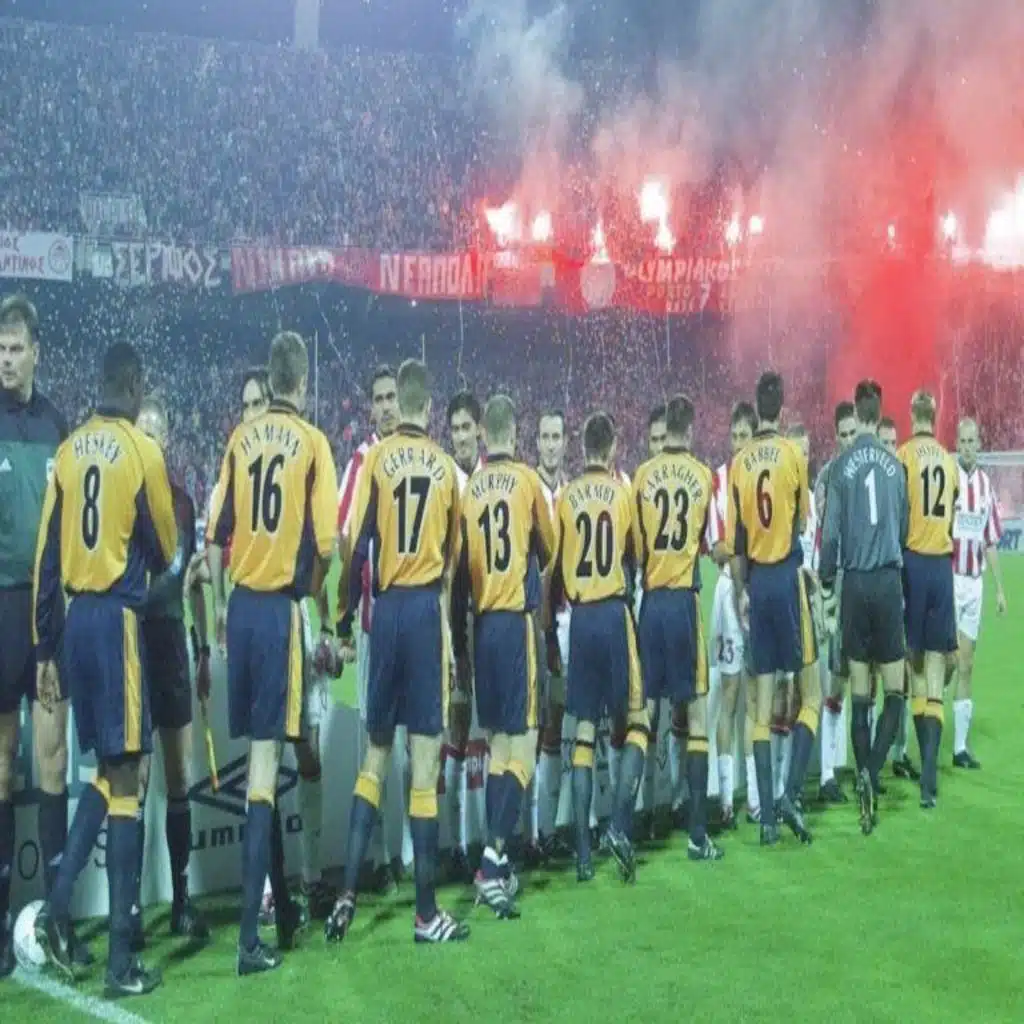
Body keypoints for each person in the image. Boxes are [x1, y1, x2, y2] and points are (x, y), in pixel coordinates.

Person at [34, 342, 176, 997]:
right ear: (136, 384)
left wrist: (45, 648)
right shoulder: (142, 452)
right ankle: (117, 957)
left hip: (74, 623)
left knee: (109, 771)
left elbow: (45, 558)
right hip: (118, 621)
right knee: (127, 777)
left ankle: (62, 908)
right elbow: (165, 547)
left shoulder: (68, 452)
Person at [207, 331, 339, 974]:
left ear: (271, 378)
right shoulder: (312, 443)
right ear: (304, 383)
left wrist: (218, 608)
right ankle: (247, 941)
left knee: (266, 753)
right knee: (266, 767)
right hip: (279, 612)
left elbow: (214, 534)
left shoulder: (241, 437)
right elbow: (328, 544)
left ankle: (282, 910)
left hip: (240, 608)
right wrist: (309, 594)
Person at [327, 358, 468, 945]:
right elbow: (452, 563)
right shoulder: (446, 468)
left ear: (398, 405)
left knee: (376, 756)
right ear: (429, 408)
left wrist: (342, 620)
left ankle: (347, 894)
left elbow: (355, 546)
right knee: (424, 761)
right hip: (423, 612)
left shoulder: (375, 461)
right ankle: (426, 913)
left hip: (383, 615)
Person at [0, 295, 84, 978]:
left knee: (53, 762)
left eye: (15, 348)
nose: (5, 359)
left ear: (37, 352)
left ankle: (57, 919)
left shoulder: (59, 426)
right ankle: (2, 927)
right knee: (2, 766)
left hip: (47, 610)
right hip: (1, 607)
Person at [451, 394, 555, 917]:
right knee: (526, 744)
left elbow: (459, 572)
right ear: (513, 433)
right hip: (515, 623)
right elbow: (549, 548)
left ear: (483, 436)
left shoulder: (469, 490)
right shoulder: (528, 481)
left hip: (482, 625)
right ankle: (492, 862)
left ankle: (498, 861)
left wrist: (461, 643)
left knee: (496, 747)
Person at [551, 412, 646, 884]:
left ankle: (584, 856)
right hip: (612, 613)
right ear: (611, 449)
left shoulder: (566, 497)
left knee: (584, 732)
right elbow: (635, 556)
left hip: (581, 617)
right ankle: (619, 828)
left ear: (582, 447)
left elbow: (554, 566)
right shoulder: (622, 493)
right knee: (637, 722)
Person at [727, 371, 819, 847]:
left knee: (760, 709)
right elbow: (802, 521)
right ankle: (790, 794)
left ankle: (766, 821)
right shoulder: (792, 455)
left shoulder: (739, 463)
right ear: (782, 410)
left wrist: (742, 590)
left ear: (756, 408)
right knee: (811, 696)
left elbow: (738, 542)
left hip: (758, 583)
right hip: (786, 578)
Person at [132, 397, 210, 944]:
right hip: (135, 644)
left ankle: (182, 900)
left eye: (154, 435)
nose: (148, 444)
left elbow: (193, 578)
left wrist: (202, 648)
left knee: (179, 776)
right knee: (136, 781)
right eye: (140, 434)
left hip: (173, 647)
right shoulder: (124, 498)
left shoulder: (182, 502)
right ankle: (132, 909)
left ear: (166, 442)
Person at [632, 395, 722, 861]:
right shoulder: (703, 476)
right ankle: (697, 835)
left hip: (652, 601)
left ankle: (621, 826)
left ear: (665, 427)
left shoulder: (643, 475)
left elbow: (637, 548)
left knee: (644, 714)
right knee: (697, 716)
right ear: (692, 429)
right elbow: (708, 541)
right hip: (685, 602)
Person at [819, 381, 909, 835]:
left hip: (854, 585)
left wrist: (827, 581)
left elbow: (830, 534)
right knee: (895, 691)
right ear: (881, 412)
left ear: (857, 413)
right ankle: (872, 771)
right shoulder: (897, 467)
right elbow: (904, 530)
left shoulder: (840, 468)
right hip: (888, 583)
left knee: (859, 692)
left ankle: (863, 782)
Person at [336, 365, 405, 887]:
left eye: (391, 397)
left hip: (414, 623)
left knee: (413, 741)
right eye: (378, 398)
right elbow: (344, 536)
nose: (385, 406)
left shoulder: (417, 454)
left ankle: (403, 851)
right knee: (377, 742)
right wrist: (355, 595)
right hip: (374, 625)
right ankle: (382, 856)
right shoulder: (361, 461)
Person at [898, 390, 959, 809]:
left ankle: (925, 772)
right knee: (937, 667)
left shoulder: (904, 456)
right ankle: (930, 778)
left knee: (915, 665)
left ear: (911, 415)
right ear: (934, 419)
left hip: (914, 563)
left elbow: (900, 513)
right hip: (942, 567)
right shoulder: (948, 462)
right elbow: (950, 513)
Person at [709, 402, 757, 827]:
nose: (739, 442)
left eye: (746, 435)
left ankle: (755, 799)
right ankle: (726, 799)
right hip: (728, 594)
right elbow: (715, 548)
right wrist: (744, 549)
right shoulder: (718, 480)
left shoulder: (762, 475)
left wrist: (737, 547)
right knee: (729, 696)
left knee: (756, 698)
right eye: (735, 435)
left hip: (758, 595)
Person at [950, 417, 1007, 769]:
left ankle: (959, 749)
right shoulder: (949, 480)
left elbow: (990, 541)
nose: (968, 447)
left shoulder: (986, 485)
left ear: (980, 444)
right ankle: (910, 742)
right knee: (944, 662)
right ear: (957, 444)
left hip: (974, 583)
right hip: (949, 579)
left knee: (966, 664)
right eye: (964, 441)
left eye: (973, 441)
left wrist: (999, 588)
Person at [445, 390, 484, 880]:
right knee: (456, 726)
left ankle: (488, 840)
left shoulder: (492, 480)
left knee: (491, 734)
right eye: (453, 429)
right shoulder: (446, 482)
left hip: (491, 621)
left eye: (466, 427)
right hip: (458, 622)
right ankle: (455, 843)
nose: (460, 436)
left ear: (480, 430)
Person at [814, 400, 858, 804]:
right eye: (842, 434)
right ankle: (827, 773)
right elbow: (825, 537)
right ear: (835, 436)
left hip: (865, 584)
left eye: (852, 433)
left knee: (866, 677)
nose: (847, 440)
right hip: (838, 585)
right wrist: (826, 588)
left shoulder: (868, 471)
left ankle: (861, 768)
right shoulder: (827, 477)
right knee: (835, 678)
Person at [532, 409, 570, 857]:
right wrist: (544, 633)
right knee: (534, 726)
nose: (551, 444)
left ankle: (548, 829)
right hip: (537, 627)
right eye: (544, 436)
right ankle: (532, 833)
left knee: (556, 723)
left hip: (567, 621)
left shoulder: (570, 493)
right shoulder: (530, 492)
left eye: (557, 436)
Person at [877, 416, 919, 780]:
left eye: (894, 443)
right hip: (874, 588)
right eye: (885, 443)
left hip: (901, 586)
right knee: (872, 678)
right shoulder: (871, 484)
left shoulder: (903, 483)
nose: (891, 450)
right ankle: (870, 761)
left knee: (902, 674)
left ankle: (898, 752)